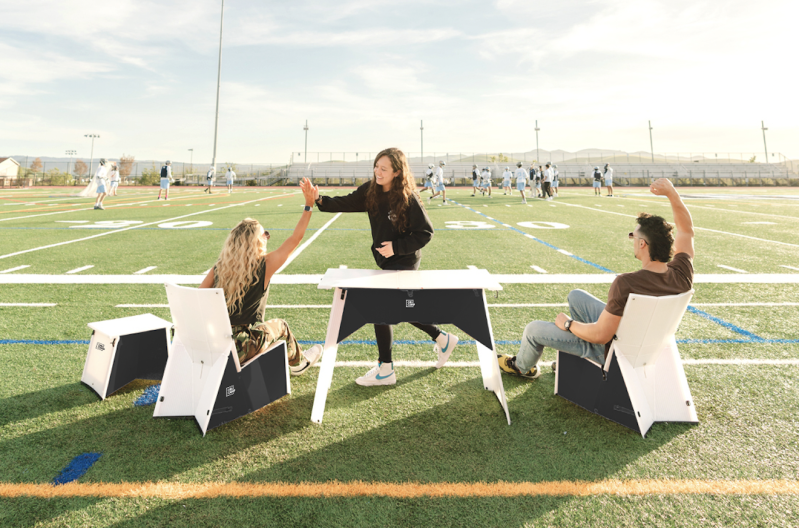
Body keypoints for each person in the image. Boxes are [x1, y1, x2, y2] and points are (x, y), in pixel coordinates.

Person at [498, 178, 694, 379]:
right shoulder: (682, 272)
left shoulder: (627, 283)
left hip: (615, 352)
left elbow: (601, 336)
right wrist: (672, 194)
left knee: (533, 329)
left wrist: (568, 324)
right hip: (645, 345)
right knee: (576, 297)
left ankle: (522, 366)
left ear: (642, 244)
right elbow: (686, 230)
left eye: (632, 237)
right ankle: (573, 360)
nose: (631, 241)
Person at [314, 148, 460, 386]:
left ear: (397, 172)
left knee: (380, 306)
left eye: (384, 169)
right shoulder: (370, 191)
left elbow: (426, 233)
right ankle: (442, 338)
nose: (377, 172)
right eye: (376, 166)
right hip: (386, 260)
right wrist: (319, 200)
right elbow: (347, 202)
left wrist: (396, 247)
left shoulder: (407, 196)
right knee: (399, 306)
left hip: (405, 259)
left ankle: (386, 369)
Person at [200, 178, 323, 374]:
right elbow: (295, 238)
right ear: (256, 241)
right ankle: (300, 363)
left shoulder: (219, 268)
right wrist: (309, 205)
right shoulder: (264, 265)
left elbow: (196, 299)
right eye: (264, 234)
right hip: (240, 348)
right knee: (281, 326)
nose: (267, 236)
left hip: (212, 345)